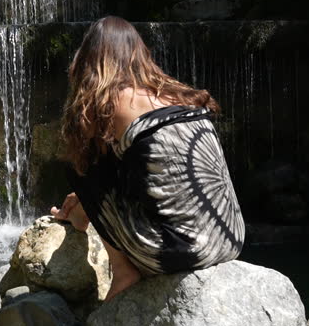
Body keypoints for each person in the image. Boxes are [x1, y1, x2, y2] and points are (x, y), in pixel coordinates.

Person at [50, 16, 245, 301]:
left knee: (80, 158)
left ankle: (122, 270)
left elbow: (91, 167)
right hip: (230, 237)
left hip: (183, 249)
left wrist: (86, 198)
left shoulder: (109, 102)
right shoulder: (179, 94)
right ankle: (82, 214)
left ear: (90, 59)